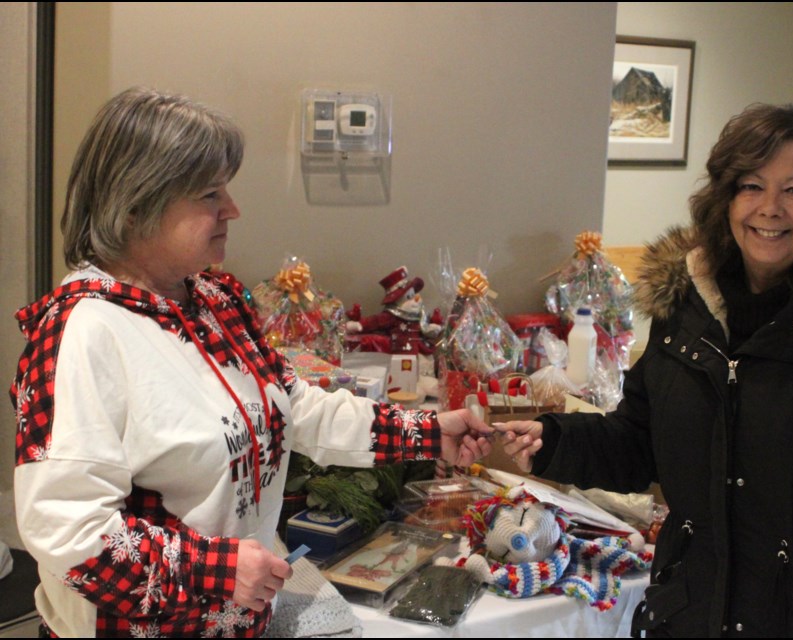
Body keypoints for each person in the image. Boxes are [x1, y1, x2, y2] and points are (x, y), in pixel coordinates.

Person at [10, 87, 493, 638]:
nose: (232, 209)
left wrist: (429, 433)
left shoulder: (213, 299)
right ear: (138, 205)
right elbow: (66, 528)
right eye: (209, 194)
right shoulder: (82, 331)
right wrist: (218, 567)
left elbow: (291, 403)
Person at [499, 104, 793, 637]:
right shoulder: (685, 311)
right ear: (725, 198)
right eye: (751, 186)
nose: (770, 208)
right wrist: (553, 440)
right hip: (691, 615)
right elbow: (643, 440)